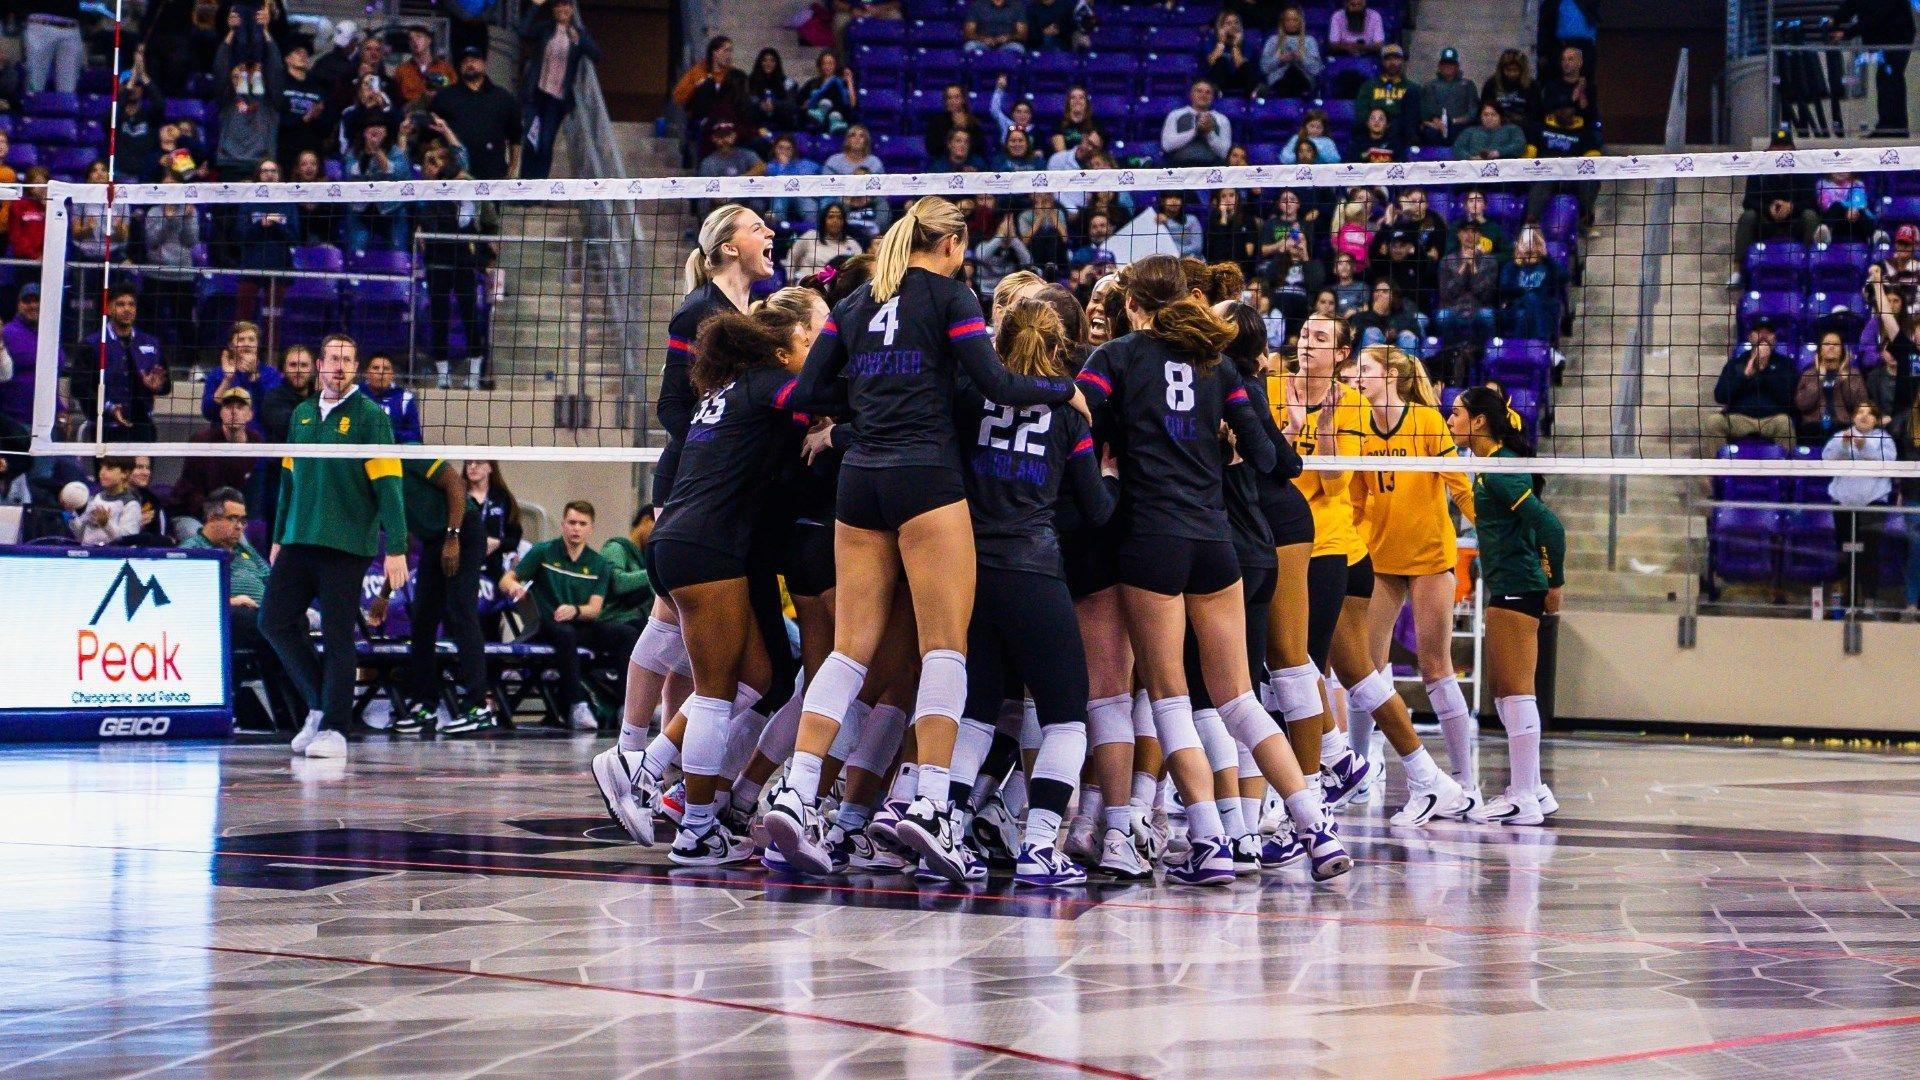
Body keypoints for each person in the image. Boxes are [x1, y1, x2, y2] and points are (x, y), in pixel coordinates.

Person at [764, 197, 1087, 883]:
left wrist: (865, 404)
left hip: (860, 482)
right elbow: (996, 380)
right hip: (925, 478)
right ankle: (935, 804)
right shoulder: (950, 295)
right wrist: (1065, 393)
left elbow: (804, 394)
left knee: (851, 650)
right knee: (945, 646)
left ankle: (797, 786)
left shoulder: (854, 305)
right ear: (952, 244)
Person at [1077, 256, 1351, 883]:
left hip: (1151, 541)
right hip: (1215, 543)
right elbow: (1274, 459)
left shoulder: (1116, 358)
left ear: (1134, 305)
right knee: (1240, 700)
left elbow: (1076, 413)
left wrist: (1110, 460)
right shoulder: (1218, 363)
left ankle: (1211, 842)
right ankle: (1315, 826)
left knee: (1172, 699)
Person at [640, 298, 820, 864]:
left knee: (762, 676)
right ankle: (690, 825)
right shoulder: (768, 383)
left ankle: (658, 777)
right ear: (777, 350)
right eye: (807, 342)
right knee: (714, 696)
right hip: (708, 548)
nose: (810, 354)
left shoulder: (723, 393)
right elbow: (813, 394)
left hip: (678, 539)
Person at [261, 333, 410, 762]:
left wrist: (395, 546)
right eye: (333, 359)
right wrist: (277, 535)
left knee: (339, 634)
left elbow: (389, 484)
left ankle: (334, 729)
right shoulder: (303, 414)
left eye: (348, 359)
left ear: (355, 366)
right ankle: (319, 703)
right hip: (298, 538)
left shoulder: (369, 416)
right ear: (320, 364)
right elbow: (288, 479)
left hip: (346, 543)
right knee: (274, 621)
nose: (339, 367)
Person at [1348, 346, 1482, 807]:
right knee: (1363, 666)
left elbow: (1458, 485)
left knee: (1435, 666)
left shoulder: (1426, 422)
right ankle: (1359, 768)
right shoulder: (1357, 426)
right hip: (1380, 558)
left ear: (1390, 376)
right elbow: (1357, 499)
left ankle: (1465, 781)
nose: (1355, 376)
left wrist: (1488, 528)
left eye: (1364, 370)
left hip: (1429, 557)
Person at [1447, 386, 1564, 825]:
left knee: (1514, 691)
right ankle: (1534, 789)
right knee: (1507, 691)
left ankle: (1522, 796)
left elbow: (1549, 524)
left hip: (1519, 586)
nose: (1450, 420)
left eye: (1456, 413)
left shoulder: (1500, 469)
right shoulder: (1489, 469)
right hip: (1509, 584)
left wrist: (1555, 582)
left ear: (1479, 421)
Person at [500, 501, 633, 731]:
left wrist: (576, 610)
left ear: (591, 528)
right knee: (565, 633)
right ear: (563, 524)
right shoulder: (543, 551)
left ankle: (627, 706)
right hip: (545, 625)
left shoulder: (599, 564)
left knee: (627, 633)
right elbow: (507, 579)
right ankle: (576, 705)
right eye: (572, 522)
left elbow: (595, 609)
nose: (576, 528)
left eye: (583, 524)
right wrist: (514, 588)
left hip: (578, 623)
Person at [389, 456, 496, 736]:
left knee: (460, 612)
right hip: (433, 541)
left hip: (463, 530)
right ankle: (426, 705)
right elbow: (396, 544)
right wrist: (383, 595)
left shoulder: (410, 455)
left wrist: (453, 536)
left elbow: (457, 486)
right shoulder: (376, 478)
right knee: (422, 620)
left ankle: (478, 707)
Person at [181, 486, 296, 727]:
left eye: (243, 520)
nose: (241, 526)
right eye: (233, 519)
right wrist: (231, 601)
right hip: (228, 620)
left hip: (264, 618)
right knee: (268, 628)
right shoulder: (193, 551)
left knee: (294, 624)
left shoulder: (246, 551)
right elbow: (187, 599)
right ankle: (300, 714)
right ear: (212, 518)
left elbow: (271, 582)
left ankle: (297, 717)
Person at [1825, 403, 1898, 609]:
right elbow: (1826, 458)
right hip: (1843, 505)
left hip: (1873, 505)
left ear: (1876, 419)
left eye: (1870, 413)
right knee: (1845, 553)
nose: (1864, 416)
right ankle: (1845, 602)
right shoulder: (1841, 436)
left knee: (1869, 555)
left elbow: (1889, 462)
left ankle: (1869, 603)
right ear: (1853, 416)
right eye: (1860, 412)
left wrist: (1863, 447)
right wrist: (1844, 445)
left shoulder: (1884, 439)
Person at [517, 0, 600, 180]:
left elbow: (597, 54)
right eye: (558, 6)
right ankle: (523, 190)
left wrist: (579, 41)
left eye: (566, 5)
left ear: (572, 9)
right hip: (536, 95)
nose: (562, 9)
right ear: (553, 10)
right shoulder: (545, 29)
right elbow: (523, 31)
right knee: (531, 142)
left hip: (556, 100)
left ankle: (539, 191)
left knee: (546, 144)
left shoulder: (579, 33)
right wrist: (535, 6)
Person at [171, 387, 264, 527]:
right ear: (221, 413)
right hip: (192, 514)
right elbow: (190, 489)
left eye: (239, 407)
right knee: (203, 543)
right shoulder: (200, 441)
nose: (233, 412)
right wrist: (215, 514)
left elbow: (252, 489)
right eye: (228, 407)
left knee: (244, 547)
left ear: (249, 414)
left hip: (233, 516)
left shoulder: (255, 442)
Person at [1705, 318, 1798, 450]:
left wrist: (1764, 370)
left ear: (1774, 338)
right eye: (1759, 332)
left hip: (1772, 420)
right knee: (1714, 422)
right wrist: (1744, 375)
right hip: (1739, 419)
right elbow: (1720, 396)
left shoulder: (1785, 364)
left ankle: (1788, 469)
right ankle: (1719, 469)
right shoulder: (1736, 363)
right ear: (1750, 337)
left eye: (1768, 333)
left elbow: (1788, 399)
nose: (1763, 336)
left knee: (1785, 423)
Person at [432, 46, 522, 181]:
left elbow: (515, 136)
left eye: (474, 60)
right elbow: (432, 133)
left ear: (484, 64)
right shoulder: (445, 97)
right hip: (455, 175)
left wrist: (513, 167)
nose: (470, 64)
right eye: (465, 61)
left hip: (493, 175)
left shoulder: (503, 97)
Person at [97, 284, 169, 444]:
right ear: (108, 308)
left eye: (131, 304)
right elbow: (80, 388)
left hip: (142, 427)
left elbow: (166, 385)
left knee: (144, 470)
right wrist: (108, 408)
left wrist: (157, 386)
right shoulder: (94, 343)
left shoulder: (152, 343)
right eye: (121, 304)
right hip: (107, 427)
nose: (127, 309)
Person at [1834, 0, 1913, 138]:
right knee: (1889, 79)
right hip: (1891, 37)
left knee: (1889, 80)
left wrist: (1846, 32)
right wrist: (1835, 20)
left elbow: (1874, 17)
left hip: (1896, 37)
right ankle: (1896, 126)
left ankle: (1891, 127)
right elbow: (1854, 5)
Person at [1795, 330, 1871, 447]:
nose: (1831, 347)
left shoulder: (1853, 374)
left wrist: (1844, 377)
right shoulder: (1809, 374)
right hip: (1813, 427)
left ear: (1842, 350)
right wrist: (1820, 378)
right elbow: (1803, 404)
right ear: (1820, 350)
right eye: (1826, 344)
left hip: (1843, 426)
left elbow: (1858, 405)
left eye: (1836, 345)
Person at [1436, 220, 1498, 352]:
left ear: (1480, 235)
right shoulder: (1447, 261)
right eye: (1465, 231)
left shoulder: (1490, 261)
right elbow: (1446, 294)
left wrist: (1474, 267)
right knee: (1443, 316)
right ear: (1459, 235)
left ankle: (1485, 358)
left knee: (1487, 316)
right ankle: (1450, 358)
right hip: (1453, 308)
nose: (1469, 235)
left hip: (1479, 308)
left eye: (1474, 231)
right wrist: (1463, 266)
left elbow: (1486, 295)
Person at [202, 321, 283, 423]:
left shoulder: (271, 374)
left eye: (251, 340)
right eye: (241, 340)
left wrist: (255, 377)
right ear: (231, 345)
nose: (247, 344)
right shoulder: (217, 374)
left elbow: (273, 412)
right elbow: (208, 413)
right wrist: (227, 380)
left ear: (257, 344)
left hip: (258, 437)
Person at [1499, 233, 1563, 340]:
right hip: (1516, 306)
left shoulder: (1546, 265)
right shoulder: (1511, 266)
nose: (1528, 247)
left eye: (1532, 243)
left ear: (1538, 246)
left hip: (1542, 307)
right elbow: (1504, 287)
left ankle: (1519, 352)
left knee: (1522, 315)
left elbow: (1564, 278)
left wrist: (1547, 257)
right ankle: (1543, 344)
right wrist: (1516, 264)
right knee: (1528, 301)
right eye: (1524, 244)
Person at [1354, 43, 1419, 146]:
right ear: (1382, 61)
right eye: (1388, 59)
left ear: (1402, 61)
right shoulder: (1369, 86)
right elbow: (1362, 112)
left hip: (1401, 135)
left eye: (1396, 58)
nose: (1392, 62)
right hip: (1372, 133)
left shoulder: (1412, 88)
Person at [1161, 80, 1233, 167]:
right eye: (1199, 91)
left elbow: (1225, 152)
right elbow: (1167, 146)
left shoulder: (1222, 119)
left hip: (1211, 168)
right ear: (1191, 94)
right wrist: (1195, 131)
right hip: (1180, 166)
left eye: (1208, 92)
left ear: (1213, 97)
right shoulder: (1175, 115)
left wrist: (1208, 133)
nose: (1203, 95)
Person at [789, 202, 863, 281]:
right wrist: (790, 280)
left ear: (844, 221)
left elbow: (861, 266)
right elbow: (792, 257)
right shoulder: (810, 236)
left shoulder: (852, 244)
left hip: (837, 289)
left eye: (839, 218)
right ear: (823, 220)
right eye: (831, 217)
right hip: (807, 285)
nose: (835, 221)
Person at [1261, 6, 1323, 99]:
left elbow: (1316, 69)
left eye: (1295, 20)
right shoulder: (1273, 40)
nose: (1291, 23)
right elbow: (1264, 68)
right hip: (1278, 81)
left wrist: (1301, 58)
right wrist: (1280, 59)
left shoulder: (1310, 41)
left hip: (1303, 80)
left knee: (1294, 74)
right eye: (1288, 20)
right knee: (1288, 77)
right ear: (1282, 22)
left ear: (1300, 22)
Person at [24, 0, 85, 95]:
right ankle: (33, 106)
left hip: (71, 26)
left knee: (68, 85)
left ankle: (66, 107)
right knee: (35, 82)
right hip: (40, 23)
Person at [362, 354, 424, 444]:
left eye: (386, 369)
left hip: (394, 454)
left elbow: (416, 437)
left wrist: (387, 434)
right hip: (360, 452)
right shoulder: (356, 394)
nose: (381, 372)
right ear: (366, 373)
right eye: (376, 368)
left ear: (392, 375)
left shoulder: (405, 398)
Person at [1420, 47, 1477, 145]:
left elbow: (1474, 110)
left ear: (1457, 66)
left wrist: (1457, 121)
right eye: (1445, 63)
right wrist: (1433, 121)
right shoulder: (1430, 86)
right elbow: (1424, 111)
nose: (1448, 66)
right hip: (1436, 127)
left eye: (1451, 63)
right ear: (1439, 65)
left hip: (1460, 126)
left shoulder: (1467, 85)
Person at [798, 50, 857, 136]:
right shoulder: (812, 83)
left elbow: (852, 104)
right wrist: (807, 105)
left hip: (837, 123)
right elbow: (800, 103)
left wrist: (849, 81)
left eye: (830, 63)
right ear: (820, 66)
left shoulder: (841, 83)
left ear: (835, 65)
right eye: (824, 63)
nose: (827, 66)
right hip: (815, 123)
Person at [923, 83, 987, 162]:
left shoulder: (973, 122)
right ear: (945, 101)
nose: (953, 101)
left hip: (970, 162)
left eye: (956, 97)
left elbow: (981, 147)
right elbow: (931, 147)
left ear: (963, 99)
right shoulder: (936, 122)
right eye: (949, 98)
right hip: (945, 163)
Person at [395, 24, 455, 104]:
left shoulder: (445, 67)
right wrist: (423, 97)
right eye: (411, 39)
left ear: (429, 40)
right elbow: (398, 100)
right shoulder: (402, 70)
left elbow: (454, 92)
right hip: (413, 112)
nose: (415, 41)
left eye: (419, 37)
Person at [1205, 11, 1261, 96]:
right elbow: (1212, 62)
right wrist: (1222, 42)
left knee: (1246, 66)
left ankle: (1252, 95)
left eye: (1236, 22)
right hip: (1220, 79)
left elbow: (1241, 65)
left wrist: (1235, 45)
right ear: (1221, 26)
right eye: (1228, 23)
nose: (1233, 26)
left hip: (1240, 79)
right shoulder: (1212, 42)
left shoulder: (1246, 44)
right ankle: (1216, 92)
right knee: (1221, 60)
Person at [1454, 101, 1526, 160]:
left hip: (1505, 170)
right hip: (1474, 170)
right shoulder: (1469, 131)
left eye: (1493, 115)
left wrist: (1499, 152)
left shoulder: (1513, 129)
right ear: (1480, 117)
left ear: (1500, 116)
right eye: (1486, 115)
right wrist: (1471, 157)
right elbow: (1458, 148)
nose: (1489, 118)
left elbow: (1519, 145)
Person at [1481, 48, 1533, 125]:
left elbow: (1535, 113)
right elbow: (1484, 109)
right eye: (1508, 70)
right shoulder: (1491, 84)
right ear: (1501, 69)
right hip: (1496, 125)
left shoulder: (1531, 85)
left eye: (1515, 70)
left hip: (1523, 126)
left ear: (1522, 70)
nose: (1512, 74)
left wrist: (1521, 119)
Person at [964, 0, 1028, 56]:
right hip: (982, 43)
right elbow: (968, 33)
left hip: (1008, 44)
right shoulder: (977, 5)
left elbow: (1022, 35)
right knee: (970, 46)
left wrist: (1009, 37)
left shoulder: (1017, 6)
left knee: (1018, 48)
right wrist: (983, 39)